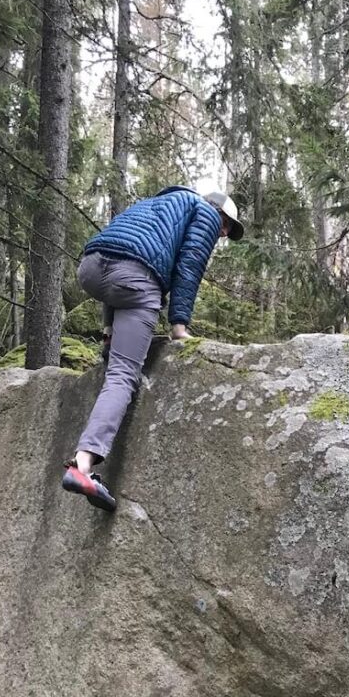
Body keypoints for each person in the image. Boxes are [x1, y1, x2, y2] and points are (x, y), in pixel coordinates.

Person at [61, 186, 243, 512]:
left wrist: (109, 330)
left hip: (90, 268)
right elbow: (189, 266)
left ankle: (110, 338)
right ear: (218, 213)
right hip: (134, 280)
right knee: (122, 375)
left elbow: (122, 252)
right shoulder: (204, 213)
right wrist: (179, 327)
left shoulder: (156, 205)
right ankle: (82, 467)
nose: (224, 233)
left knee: (125, 279)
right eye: (227, 225)